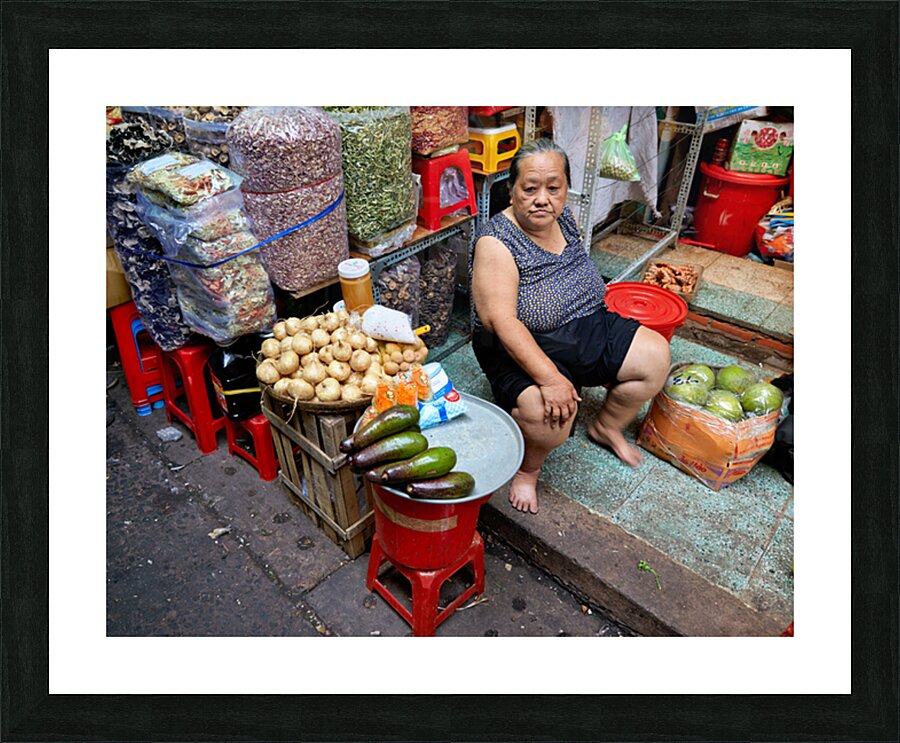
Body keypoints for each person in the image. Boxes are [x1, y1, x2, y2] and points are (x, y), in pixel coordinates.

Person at [469, 139, 671, 514]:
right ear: (511, 190)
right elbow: (500, 321)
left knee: (656, 356)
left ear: (565, 188)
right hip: (522, 342)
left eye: (553, 187)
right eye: (529, 188)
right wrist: (550, 379)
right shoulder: (495, 242)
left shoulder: (564, 217)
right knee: (548, 417)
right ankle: (528, 470)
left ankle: (607, 427)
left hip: (585, 324)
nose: (542, 198)